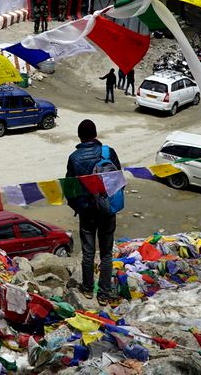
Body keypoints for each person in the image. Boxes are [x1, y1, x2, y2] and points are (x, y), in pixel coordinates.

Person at [66, 119, 120, 306]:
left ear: (79, 136)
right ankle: (104, 294)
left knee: (88, 252)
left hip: (87, 211)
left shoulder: (74, 158)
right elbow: (118, 179)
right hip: (107, 209)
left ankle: (88, 288)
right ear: (95, 134)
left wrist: (77, 207)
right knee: (106, 253)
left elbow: (69, 188)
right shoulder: (108, 152)